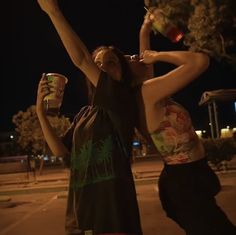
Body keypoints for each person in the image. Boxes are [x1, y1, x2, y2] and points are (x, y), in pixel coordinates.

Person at [36, 0, 142, 234]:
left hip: (113, 219)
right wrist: (41, 115)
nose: (102, 67)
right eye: (98, 64)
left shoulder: (122, 101)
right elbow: (62, 153)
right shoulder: (85, 114)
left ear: (122, 72)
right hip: (80, 218)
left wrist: (52, 11)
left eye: (111, 63)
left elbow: (81, 59)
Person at [129, 8, 236, 235]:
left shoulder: (145, 94)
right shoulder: (147, 92)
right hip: (185, 183)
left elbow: (145, 63)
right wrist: (157, 55)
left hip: (187, 176)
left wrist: (145, 30)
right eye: (130, 59)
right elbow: (199, 61)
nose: (136, 57)